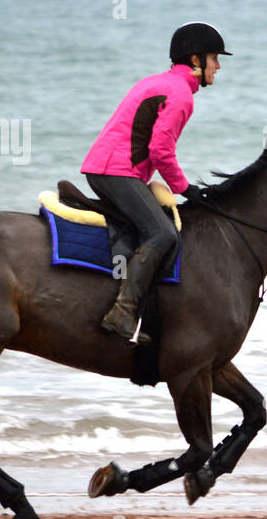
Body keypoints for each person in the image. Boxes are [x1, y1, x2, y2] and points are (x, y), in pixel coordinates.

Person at [80, 22, 230, 343]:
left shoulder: (160, 82)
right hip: (115, 171)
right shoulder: (180, 95)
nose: (219, 66)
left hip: (108, 168)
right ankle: (123, 311)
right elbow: (160, 150)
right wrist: (186, 188)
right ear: (195, 60)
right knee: (162, 232)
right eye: (215, 58)